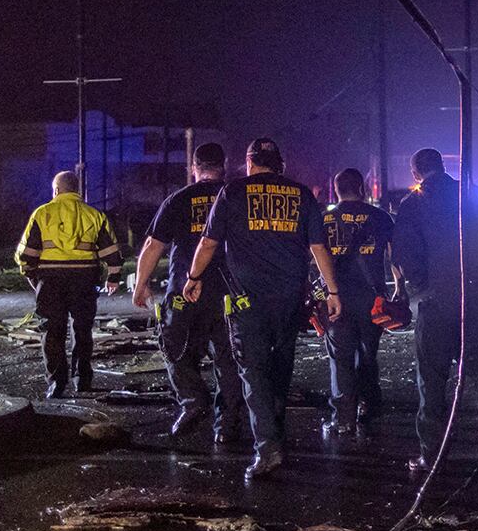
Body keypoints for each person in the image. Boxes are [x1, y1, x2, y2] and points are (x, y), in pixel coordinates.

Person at [181, 138, 342, 483]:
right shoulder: (301, 194)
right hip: (288, 300)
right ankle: (275, 433)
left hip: (246, 301)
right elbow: (318, 246)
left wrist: (193, 277)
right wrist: (333, 291)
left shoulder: (233, 192)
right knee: (280, 367)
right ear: (279, 164)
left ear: (250, 163)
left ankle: (268, 445)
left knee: (253, 371)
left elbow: (208, 242)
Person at [392, 147, 478, 471]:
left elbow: (405, 253)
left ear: (416, 173)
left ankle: (432, 453)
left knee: (431, 377)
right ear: (442, 166)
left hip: (435, 301)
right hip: (476, 296)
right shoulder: (473, 194)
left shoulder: (413, 204)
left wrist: (422, 286)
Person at [133, 143, 246, 444]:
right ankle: (228, 424)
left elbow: (152, 246)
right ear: (224, 165)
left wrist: (141, 284)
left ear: (194, 167)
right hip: (228, 292)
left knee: (176, 349)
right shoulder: (236, 197)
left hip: (185, 291)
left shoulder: (178, 200)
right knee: (228, 358)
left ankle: (193, 401)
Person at [14, 171, 121, 399]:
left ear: (56, 190)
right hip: (84, 278)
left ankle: (56, 383)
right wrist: (113, 277)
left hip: (50, 279)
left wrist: (32, 276)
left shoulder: (42, 214)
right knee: (82, 330)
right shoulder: (94, 215)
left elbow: (26, 254)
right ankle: (82, 379)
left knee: (51, 331)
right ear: (77, 190)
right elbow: (111, 252)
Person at [320, 167, 394, 437]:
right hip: (372, 297)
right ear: (362, 188)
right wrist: (399, 288)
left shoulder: (324, 219)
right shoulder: (380, 217)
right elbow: (394, 256)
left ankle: (344, 418)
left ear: (336, 190)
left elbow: (315, 255)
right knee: (367, 353)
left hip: (337, 297)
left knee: (340, 358)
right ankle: (368, 403)